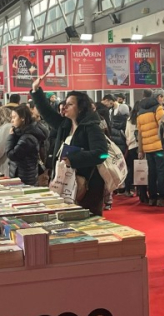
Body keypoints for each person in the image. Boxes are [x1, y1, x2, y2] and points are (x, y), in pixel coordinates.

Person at [30, 77, 107, 215]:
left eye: (70, 104)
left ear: (81, 108)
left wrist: (74, 159)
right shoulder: (65, 124)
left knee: (87, 219)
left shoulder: (91, 127)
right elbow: (46, 112)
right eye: (65, 103)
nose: (65, 107)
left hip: (87, 185)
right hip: (64, 181)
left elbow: (102, 153)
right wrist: (36, 90)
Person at [136, 88, 164, 207]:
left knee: (151, 172)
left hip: (147, 147)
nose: (163, 101)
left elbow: (139, 132)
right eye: (163, 98)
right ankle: (161, 197)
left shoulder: (140, 111)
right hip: (158, 146)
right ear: (159, 97)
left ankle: (152, 197)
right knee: (161, 171)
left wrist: (141, 149)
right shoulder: (158, 108)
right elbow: (163, 125)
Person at [6, 104, 48, 186]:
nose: (12, 120)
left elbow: (12, 154)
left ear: (22, 118)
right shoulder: (21, 133)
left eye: (14, 117)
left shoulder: (27, 138)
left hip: (25, 178)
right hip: (22, 175)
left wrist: (11, 136)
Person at [123, 101, 140, 197]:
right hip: (138, 146)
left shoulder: (129, 119)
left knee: (131, 169)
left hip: (130, 146)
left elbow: (126, 133)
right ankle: (139, 190)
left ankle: (127, 189)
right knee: (140, 169)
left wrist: (128, 142)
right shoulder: (140, 118)